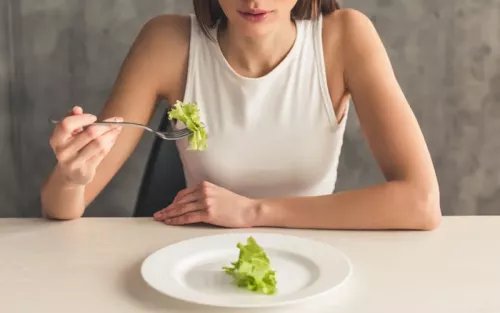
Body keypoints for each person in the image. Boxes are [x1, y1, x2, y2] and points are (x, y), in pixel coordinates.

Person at [41, 0, 441, 230]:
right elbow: (61, 208)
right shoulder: (167, 43)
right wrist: (72, 175)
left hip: (314, 263)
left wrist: (253, 212)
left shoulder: (345, 37)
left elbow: (421, 202)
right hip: (200, 267)